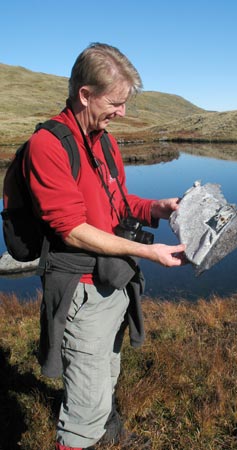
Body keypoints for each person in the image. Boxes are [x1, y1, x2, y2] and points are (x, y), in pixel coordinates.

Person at [23, 42, 186, 450]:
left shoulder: (105, 140)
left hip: (113, 280)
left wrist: (159, 208)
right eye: (115, 102)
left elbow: (118, 205)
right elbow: (72, 230)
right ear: (85, 94)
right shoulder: (48, 146)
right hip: (81, 287)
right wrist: (149, 252)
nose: (122, 113)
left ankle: (109, 433)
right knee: (86, 390)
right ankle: (80, 438)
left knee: (106, 371)